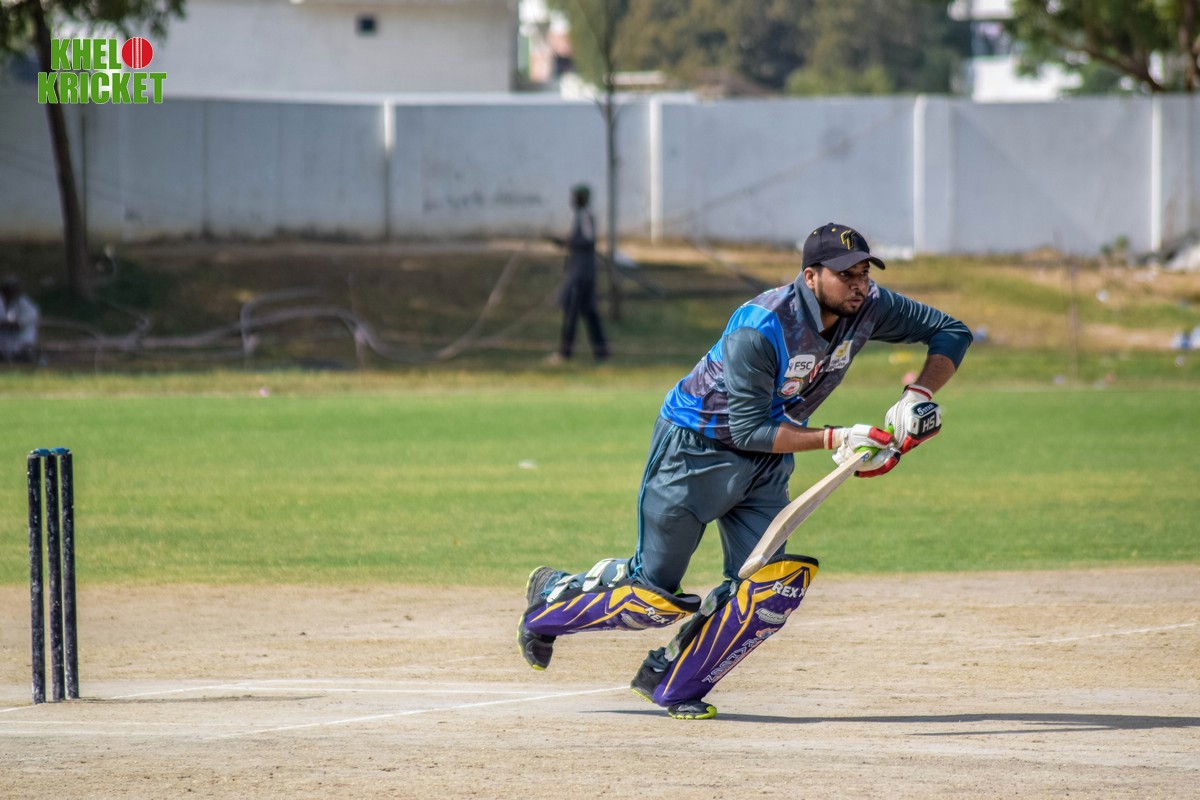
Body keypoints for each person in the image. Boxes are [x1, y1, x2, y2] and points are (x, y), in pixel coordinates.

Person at [517, 222, 973, 719]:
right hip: (694, 452)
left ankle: (671, 681)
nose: (859, 284)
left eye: (864, 272)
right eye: (846, 275)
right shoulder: (760, 327)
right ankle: (550, 600)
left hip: (766, 462)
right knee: (652, 597)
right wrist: (839, 438)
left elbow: (952, 332)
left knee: (770, 587)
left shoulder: (869, 305)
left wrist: (917, 395)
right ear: (811, 276)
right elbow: (750, 428)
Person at [551, 184, 609, 362]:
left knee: (572, 310)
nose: (572, 200)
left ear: (582, 198)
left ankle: (565, 353)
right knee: (589, 311)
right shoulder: (581, 215)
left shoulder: (585, 215)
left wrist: (566, 241)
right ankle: (602, 351)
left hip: (581, 274)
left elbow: (588, 240)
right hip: (582, 272)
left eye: (575, 196)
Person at [0, 276, 40, 364]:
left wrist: (3, 324)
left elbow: (17, 325)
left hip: (22, 343)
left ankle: (23, 354)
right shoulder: (4, 303)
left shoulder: (25, 305)